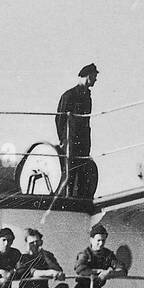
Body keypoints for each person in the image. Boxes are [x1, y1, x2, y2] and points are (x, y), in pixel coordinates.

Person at [56, 63, 98, 198]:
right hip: (71, 140)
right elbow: (60, 119)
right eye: (94, 76)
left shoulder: (87, 96)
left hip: (84, 141)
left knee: (83, 172)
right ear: (88, 76)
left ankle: (79, 198)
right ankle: (68, 198)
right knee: (70, 173)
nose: (96, 80)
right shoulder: (69, 95)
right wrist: (63, 140)